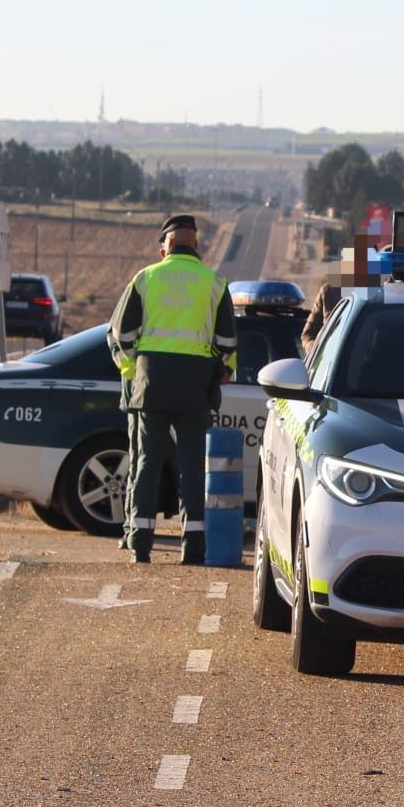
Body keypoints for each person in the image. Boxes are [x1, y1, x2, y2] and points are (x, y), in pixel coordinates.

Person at [108, 215, 236, 564]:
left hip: (152, 383)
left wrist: (137, 368)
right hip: (195, 385)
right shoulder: (215, 282)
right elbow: (227, 342)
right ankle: (193, 547)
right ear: (196, 245)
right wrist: (217, 370)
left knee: (147, 462)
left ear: (165, 246)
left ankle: (141, 544)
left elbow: (122, 335)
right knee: (192, 465)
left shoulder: (146, 278)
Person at [301, 247, 385, 355]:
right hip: (331, 365)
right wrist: (319, 353)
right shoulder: (329, 292)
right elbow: (307, 335)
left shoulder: (381, 298)